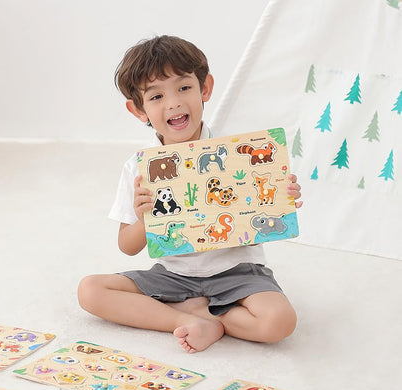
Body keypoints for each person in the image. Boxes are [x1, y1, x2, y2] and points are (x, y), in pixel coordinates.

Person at [78, 35, 303, 353]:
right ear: (138, 109)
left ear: (205, 88)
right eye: (156, 96)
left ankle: (197, 311)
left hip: (237, 274)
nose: (173, 103)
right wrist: (145, 219)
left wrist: (276, 201)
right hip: (172, 276)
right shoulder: (138, 168)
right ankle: (194, 317)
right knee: (90, 290)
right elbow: (127, 246)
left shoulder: (238, 154)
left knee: (279, 322)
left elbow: (254, 234)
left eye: (184, 87)